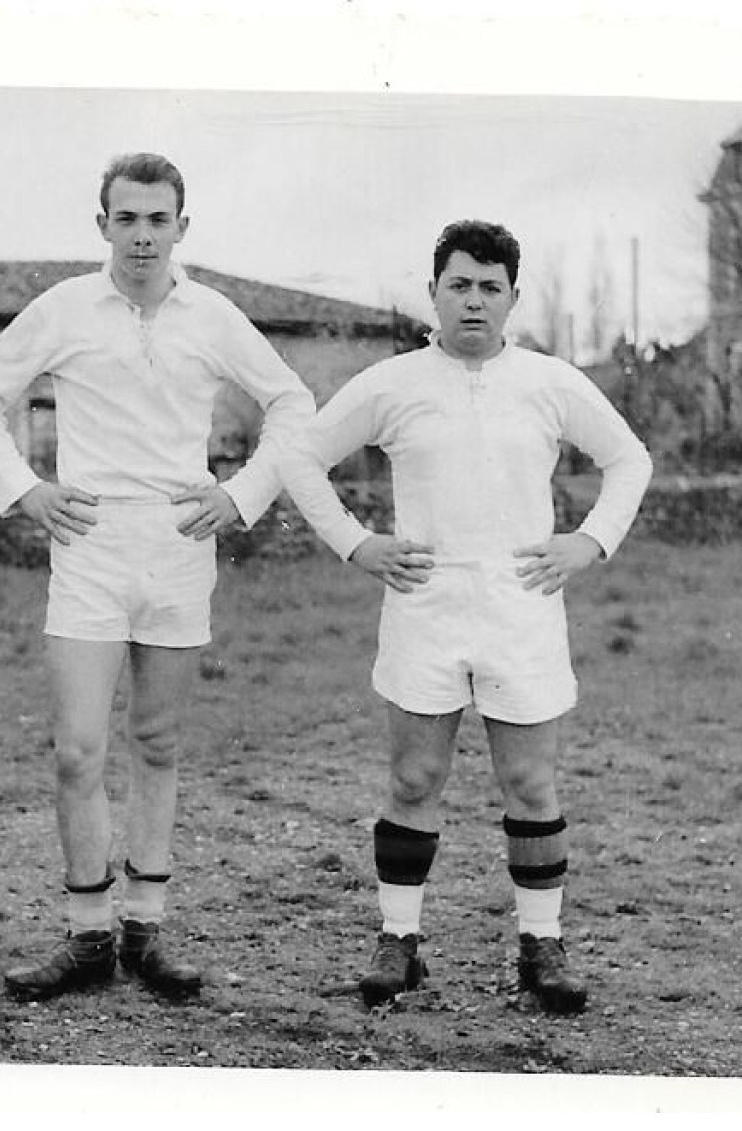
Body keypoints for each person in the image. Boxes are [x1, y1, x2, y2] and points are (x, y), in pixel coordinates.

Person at [0, 153, 315, 1002]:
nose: (142, 237)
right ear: (101, 223)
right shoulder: (65, 308)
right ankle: (85, 938)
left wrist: (242, 493)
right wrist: (25, 489)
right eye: (127, 219)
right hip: (90, 542)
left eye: (158, 220)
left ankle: (145, 928)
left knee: (158, 741)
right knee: (77, 748)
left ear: (181, 226)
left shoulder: (212, 315)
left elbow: (293, 403)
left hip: (180, 544)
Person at [275, 220, 653, 1014]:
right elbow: (301, 456)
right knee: (414, 777)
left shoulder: (549, 382)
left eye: (489, 287)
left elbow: (629, 459)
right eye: (459, 284)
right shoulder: (394, 383)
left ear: (512, 297)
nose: (473, 300)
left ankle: (540, 947)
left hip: (520, 606)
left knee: (528, 778)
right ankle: (399, 940)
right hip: (425, 605)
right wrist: (356, 542)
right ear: (434, 293)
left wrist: (587, 543)